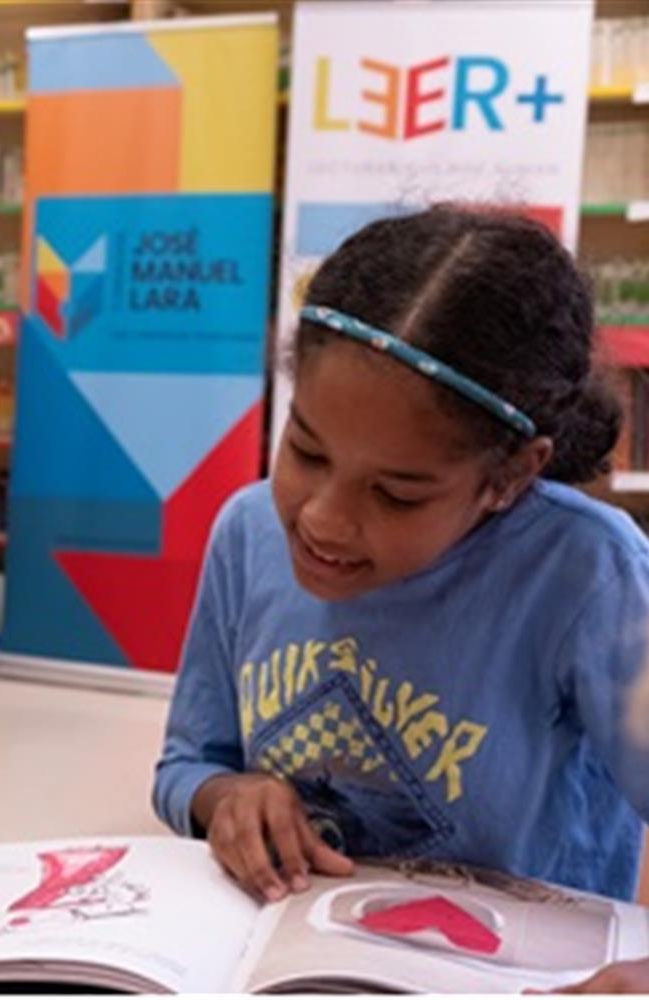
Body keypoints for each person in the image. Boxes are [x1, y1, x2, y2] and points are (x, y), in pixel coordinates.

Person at [153, 206, 649, 989]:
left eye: (396, 495)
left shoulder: (587, 574)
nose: (322, 519)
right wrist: (227, 799)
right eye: (306, 450)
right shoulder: (247, 534)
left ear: (510, 477)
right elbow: (187, 763)